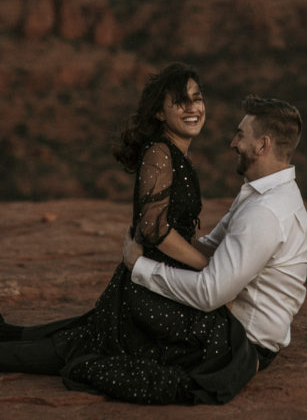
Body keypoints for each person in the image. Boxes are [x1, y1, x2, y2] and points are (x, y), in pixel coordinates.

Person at [0, 63, 259, 405]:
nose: (193, 107)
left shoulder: (175, 153)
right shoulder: (160, 152)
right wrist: (206, 266)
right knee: (76, 347)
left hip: (159, 282)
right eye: (180, 101)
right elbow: (155, 228)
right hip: (147, 290)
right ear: (159, 113)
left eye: (197, 98)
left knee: (77, 337)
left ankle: (8, 335)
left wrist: (210, 263)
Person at [124, 94, 307, 364]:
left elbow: (208, 293)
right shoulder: (260, 193)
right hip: (229, 322)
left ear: (262, 146)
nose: (232, 143)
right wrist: (161, 232)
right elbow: (211, 246)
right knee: (134, 305)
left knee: (138, 304)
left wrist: (140, 267)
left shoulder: (265, 212)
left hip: (243, 342)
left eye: (240, 135)